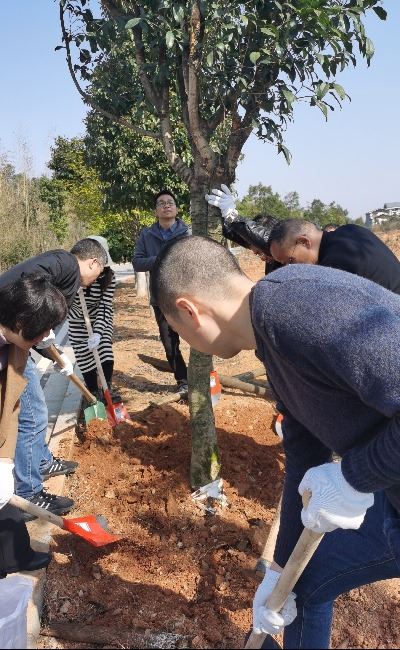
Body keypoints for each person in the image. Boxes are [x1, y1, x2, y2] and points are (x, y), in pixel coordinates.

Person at [151, 235, 400, 649]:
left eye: (177, 333)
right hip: (392, 492)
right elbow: (304, 454)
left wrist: (355, 475)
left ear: (189, 311)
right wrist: (279, 571)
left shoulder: (297, 313)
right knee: (303, 582)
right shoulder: (273, 335)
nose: (188, 345)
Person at [0, 238, 108, 517]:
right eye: (99, 272)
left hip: (15, 341)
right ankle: (29, 491)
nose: (96, 280)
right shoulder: (65, 264)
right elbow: (30, 283)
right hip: (12, 341)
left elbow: (35, 326)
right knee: (33, 414)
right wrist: (42, 326)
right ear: (93, 262)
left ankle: (41, 461)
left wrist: (54, 355)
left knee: (34, 408)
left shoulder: (64, 269)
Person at [0, 274, 67, 576]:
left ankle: (14, 558)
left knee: (6, 506)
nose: (47, 335)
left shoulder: (16, 346)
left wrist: (4, 461)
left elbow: (10, 407)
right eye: (42, 328)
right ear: (19, 322)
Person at [132, 189, 189, 394]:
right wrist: (160, 259)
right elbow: (137, 262)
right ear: (156, 211)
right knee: (169, 342)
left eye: (170, 202)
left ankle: (203, 376)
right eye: (161, 203)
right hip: (161, 298)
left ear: (176, 208)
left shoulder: (187, 233)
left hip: (186, 295)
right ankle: (183, 380)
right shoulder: (147, 235)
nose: (166, 205)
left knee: (198, 337)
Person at [268, 219, 400, 293]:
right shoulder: (351, 229)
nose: (290, 269)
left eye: (290, 261)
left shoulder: (333, 268)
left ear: (304, 242)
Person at [68, 236, 119, 402]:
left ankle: (107, 389)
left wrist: (97, 332)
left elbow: (105, 305)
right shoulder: (71, 278)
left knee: (104, 350)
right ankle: (93, 394)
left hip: (100, 317)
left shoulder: (109, 278)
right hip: (77, 320)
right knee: (84, 356)